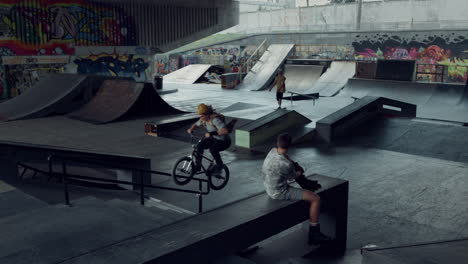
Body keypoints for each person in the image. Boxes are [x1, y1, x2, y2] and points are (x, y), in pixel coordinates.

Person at [262, 133, 331, 245]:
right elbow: (294, 176)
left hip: (268, 186)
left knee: (294, 168)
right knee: (316, 199)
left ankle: (306, 185)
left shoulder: (273, 151)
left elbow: (287, 159)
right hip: (279, 192)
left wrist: (295, 165)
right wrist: (300, 170)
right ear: (290, 146)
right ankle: (314, 233)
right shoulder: (286, 164)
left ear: (278, 143)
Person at [187, 104, 231, 174]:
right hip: (214, 139)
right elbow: (196, 124)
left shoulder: (215, 120)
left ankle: (220, 166)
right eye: (200, 116)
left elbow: (225, 130)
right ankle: (198, 167)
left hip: (224, 141)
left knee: (213, 149)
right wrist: (191, 129)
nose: (200, 117)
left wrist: (211, 133)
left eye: (202, 116)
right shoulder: (203, 119)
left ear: (207, 114)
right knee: (199, 146)